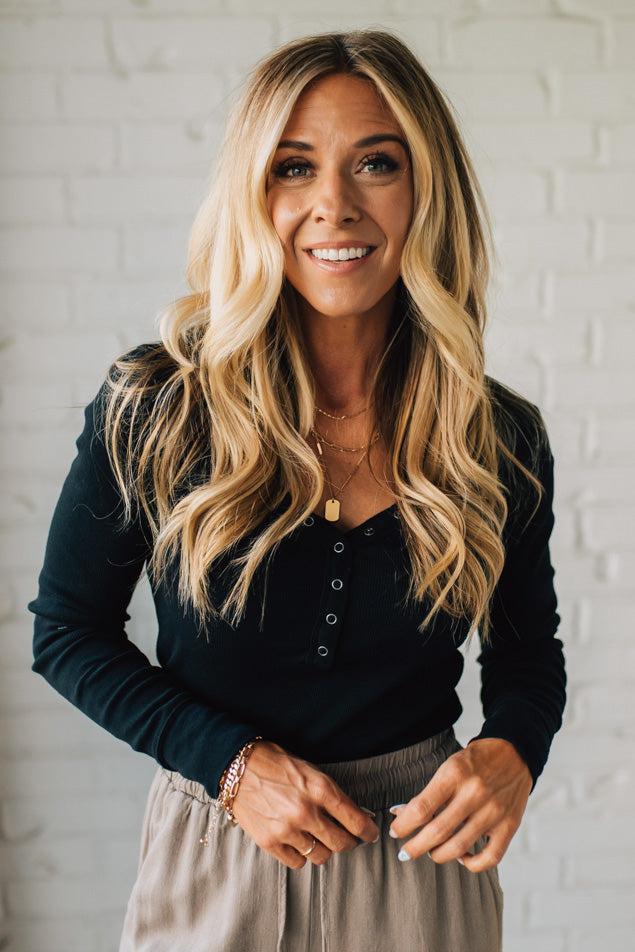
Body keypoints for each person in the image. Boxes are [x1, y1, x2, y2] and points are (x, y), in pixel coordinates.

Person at [27, 29, 567, 952]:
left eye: (375, 164)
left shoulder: (495, 436)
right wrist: (230, 768)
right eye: (292, 168)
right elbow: (67, 631)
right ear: (252, 193)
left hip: (418, 873)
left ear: (426, 190)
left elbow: (525, 655)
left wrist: (512, 751)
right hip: (216, 852)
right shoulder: (154, 405)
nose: (333, 206)